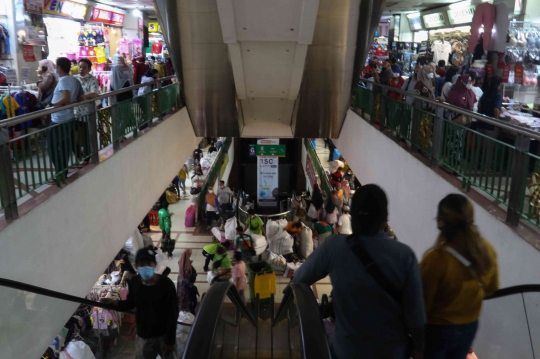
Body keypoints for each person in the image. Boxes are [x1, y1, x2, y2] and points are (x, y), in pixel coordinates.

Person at [294, 185, 426, 359]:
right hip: (391, 353)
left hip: (346, 351)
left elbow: (299, 277)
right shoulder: (405, 256)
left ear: (352, 217)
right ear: (385, 220)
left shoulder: (334, 247)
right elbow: (416, 318)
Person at [421, 194, 499, 359]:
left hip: (438, 331)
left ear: (441, 223)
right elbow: (492, 288)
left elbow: (422, 303)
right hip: (469, 326)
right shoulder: (487, 251)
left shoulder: (436, 259)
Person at [101, 247, 179, 359]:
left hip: (163, 335)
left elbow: (173, 313)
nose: (145, 267)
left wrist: (170, 341)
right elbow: (130, 304)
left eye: (149, 263)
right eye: (142, 264)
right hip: (144, 336)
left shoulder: (166, 284)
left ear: (154, 264)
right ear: (137, 265)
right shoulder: (135, 282)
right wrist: (114, 303)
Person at [48, 57, 87, 182]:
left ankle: (61, 172)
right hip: (69, 118)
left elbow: (66, 98)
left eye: (56, 66)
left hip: (60, 119)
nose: (55, 68)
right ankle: (62, 173)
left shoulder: (64, 80)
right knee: (64, 146)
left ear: (59, 67)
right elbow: (81, 97)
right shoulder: (75, 80)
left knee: (51, 147)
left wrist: (52, 105)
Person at [74, 58, 101, 167]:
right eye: (80, 67)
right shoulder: (75, 79)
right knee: (73, 136)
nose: (81, 69)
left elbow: (94, 93)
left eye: (84, 67)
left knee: (86, 136)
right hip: (75, 112)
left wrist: (82, 96)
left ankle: (87, 158)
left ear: (89, 69)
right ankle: (80, 155)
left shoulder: (92, 79)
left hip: (87, 113)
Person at [477, 75, 503, 169]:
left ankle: (476, 164)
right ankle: (486, 167)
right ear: (499, 84)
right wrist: (496, 122)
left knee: (480, 147)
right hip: (490, 126)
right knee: (489, 149)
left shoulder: (486, 93)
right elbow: (496, 110)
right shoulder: (498, 95)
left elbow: (479, 104)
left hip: (481, 123)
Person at [110, 57, 135, 141]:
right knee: (125, 118)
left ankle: (118, 135)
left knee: (119, 119)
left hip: (116, 103)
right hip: (125, 102)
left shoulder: (112, 83)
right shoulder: (125, 81)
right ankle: (120, 135)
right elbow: (129, 93)